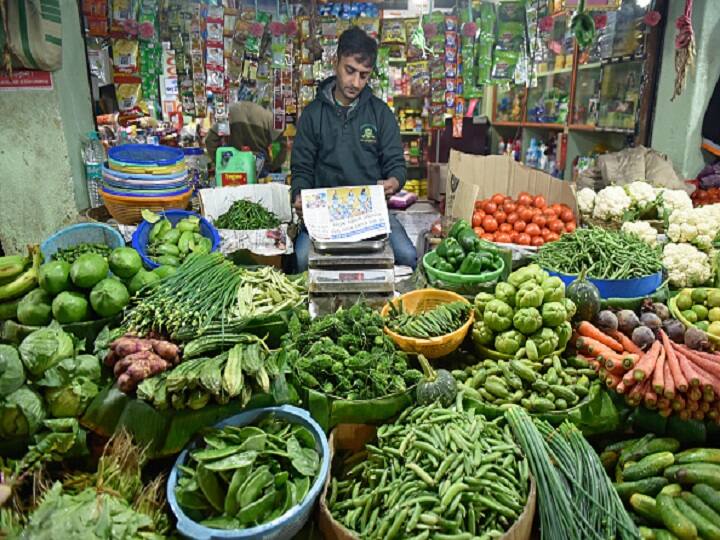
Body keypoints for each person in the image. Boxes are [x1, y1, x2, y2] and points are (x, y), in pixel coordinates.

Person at [291, 26, 417, 271]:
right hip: (324, 216)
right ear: (336, 61)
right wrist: (299, 194)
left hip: (371, 215)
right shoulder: (313, 115)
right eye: (350, 71)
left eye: (364, 75)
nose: (355, 82)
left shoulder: (381, 114)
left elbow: (397, 165)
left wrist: (394, 181)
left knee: (407, 256)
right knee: (301, 259)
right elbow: (302, 168)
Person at [204, 100, 287, 174]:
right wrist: (272, 167)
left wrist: (220, 163)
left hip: (233, 170)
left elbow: (210, 140)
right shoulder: (268, 117)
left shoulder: (229, 113)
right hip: (260, 170)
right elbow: (282, 145)